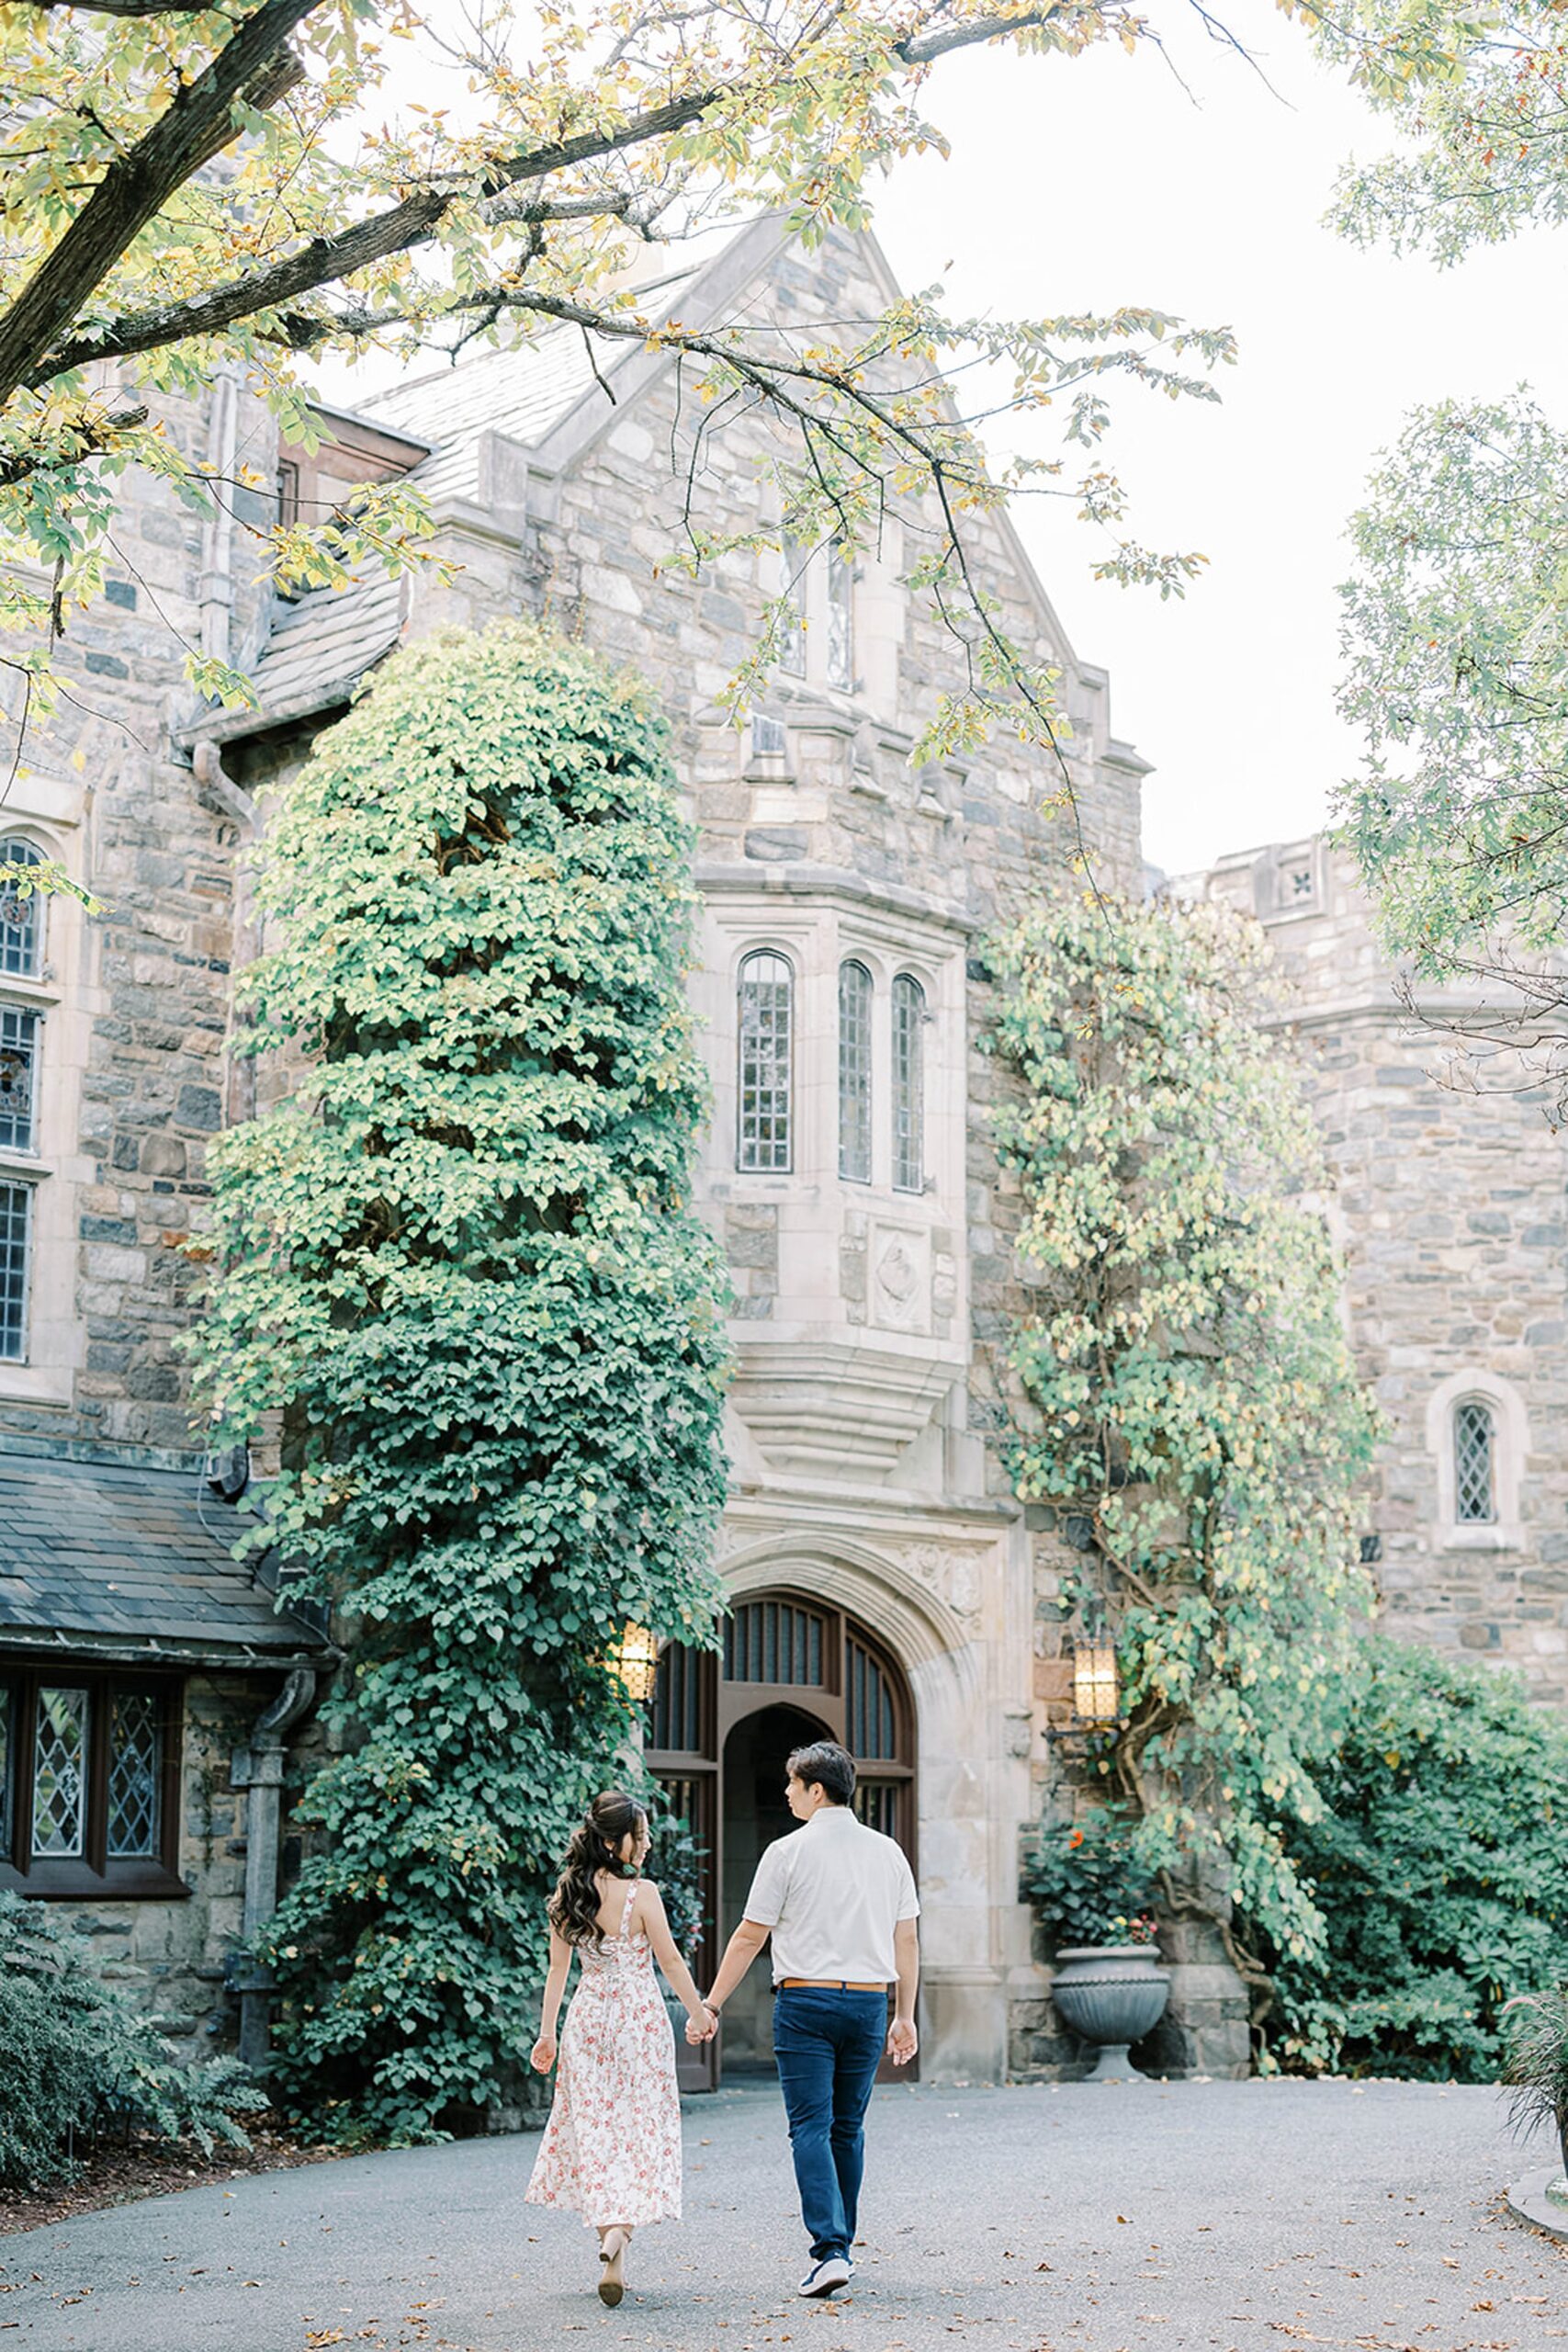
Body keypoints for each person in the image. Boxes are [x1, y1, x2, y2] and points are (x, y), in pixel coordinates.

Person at [688, 1739, 919, 2300]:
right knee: (848, 2127)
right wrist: (905, 2015)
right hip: (868, 2003)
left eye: (793, 1784)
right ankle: (842, 2245)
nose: (787, 1792)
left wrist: (712, 2003)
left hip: (806, 2004)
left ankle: (831, 2250)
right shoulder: (888, 1851)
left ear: (817, 1790)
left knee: (811, 2127)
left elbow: (748, 1935)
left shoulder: (786, 1852)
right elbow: (906, 1937)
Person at [525, 1790, 711, 2307]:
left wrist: (548, 2034)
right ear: (614, 1842)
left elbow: (557, 1972)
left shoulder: (567, 1895)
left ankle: (614, 2247)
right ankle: (619, 2234)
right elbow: (671, 1963)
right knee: (639, 2127)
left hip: (588, 2021)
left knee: (598, 2130)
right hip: (638, 2023)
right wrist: (698, 2013)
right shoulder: (642, 1894)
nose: (647, 1844)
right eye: (641, 1835)